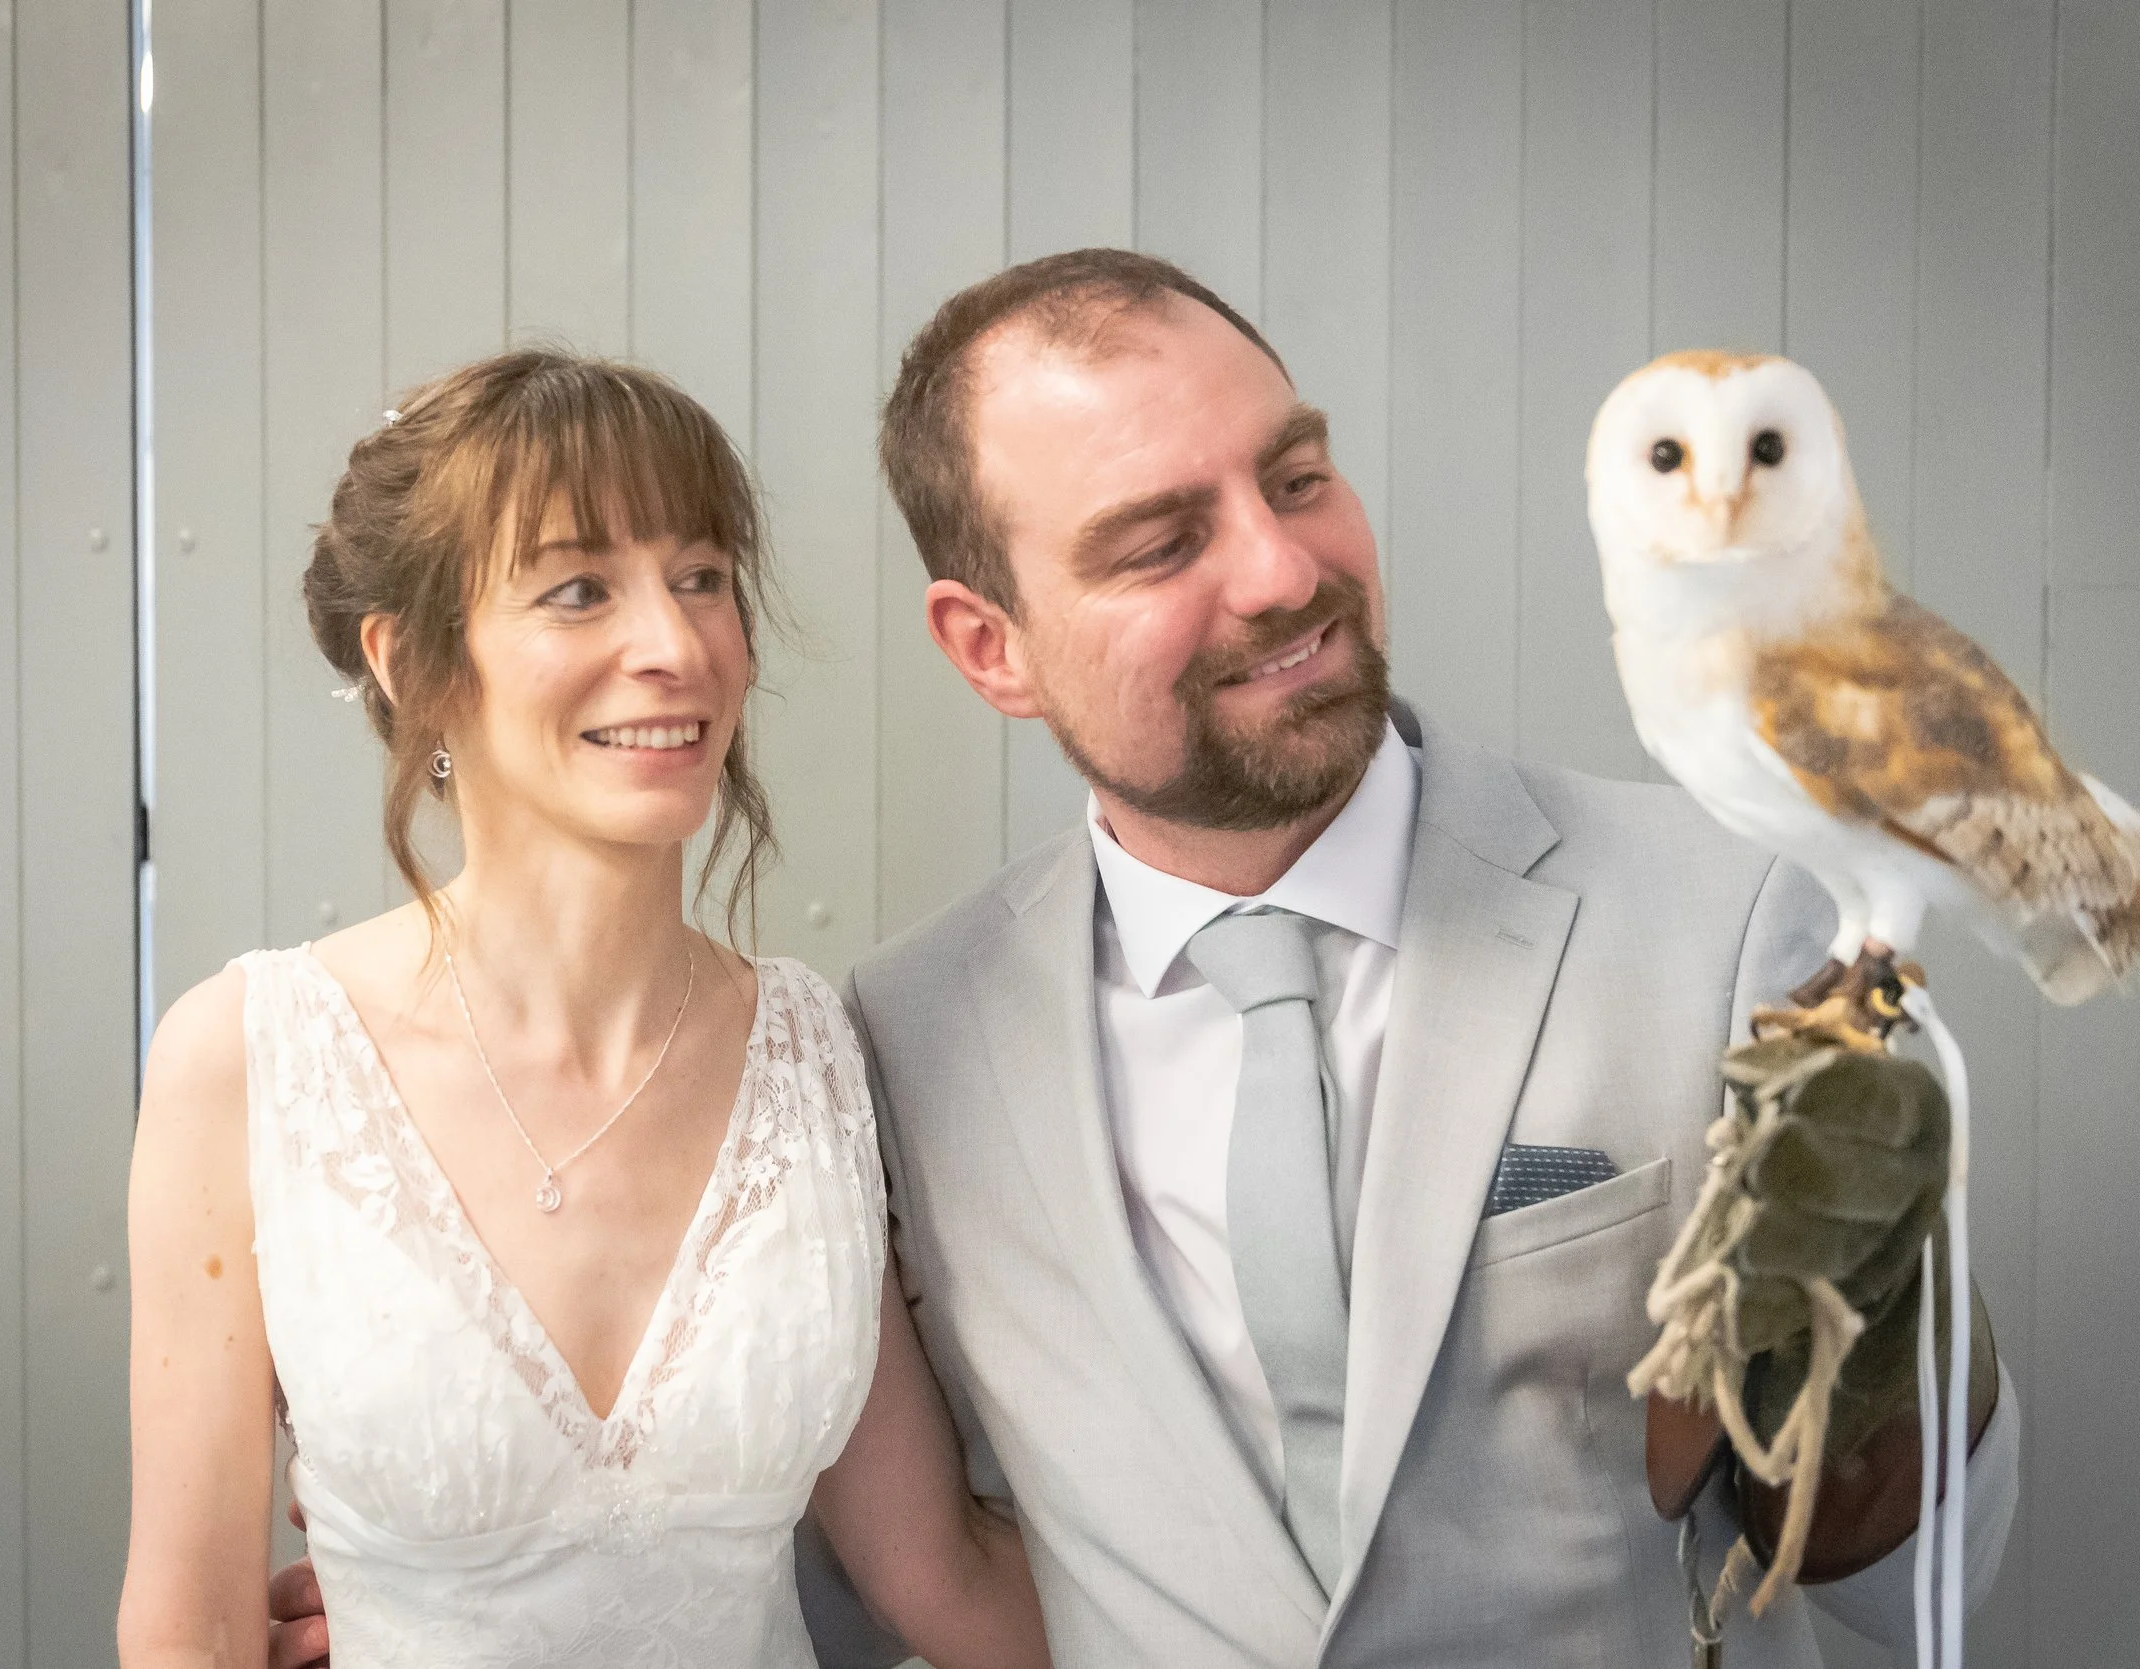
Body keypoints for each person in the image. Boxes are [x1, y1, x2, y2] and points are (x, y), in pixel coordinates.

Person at [269, 254, 2020, 1667]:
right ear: (991, 646)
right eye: (1163, 541)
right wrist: (501, 1595)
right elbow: (878, 1553)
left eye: (1298, 476)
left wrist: (1892, 1360)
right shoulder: (898, 1041)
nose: (1283, 570)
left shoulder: (1727, 913)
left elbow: (1912, 1575)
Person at [118, 351, 1050, 1669]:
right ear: (414, 664)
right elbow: (192, 1634)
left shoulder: (816, 1057)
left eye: (702, 578)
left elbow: (940, 1577)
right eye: (577, 590)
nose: (673, 648)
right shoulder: (250, 1057)